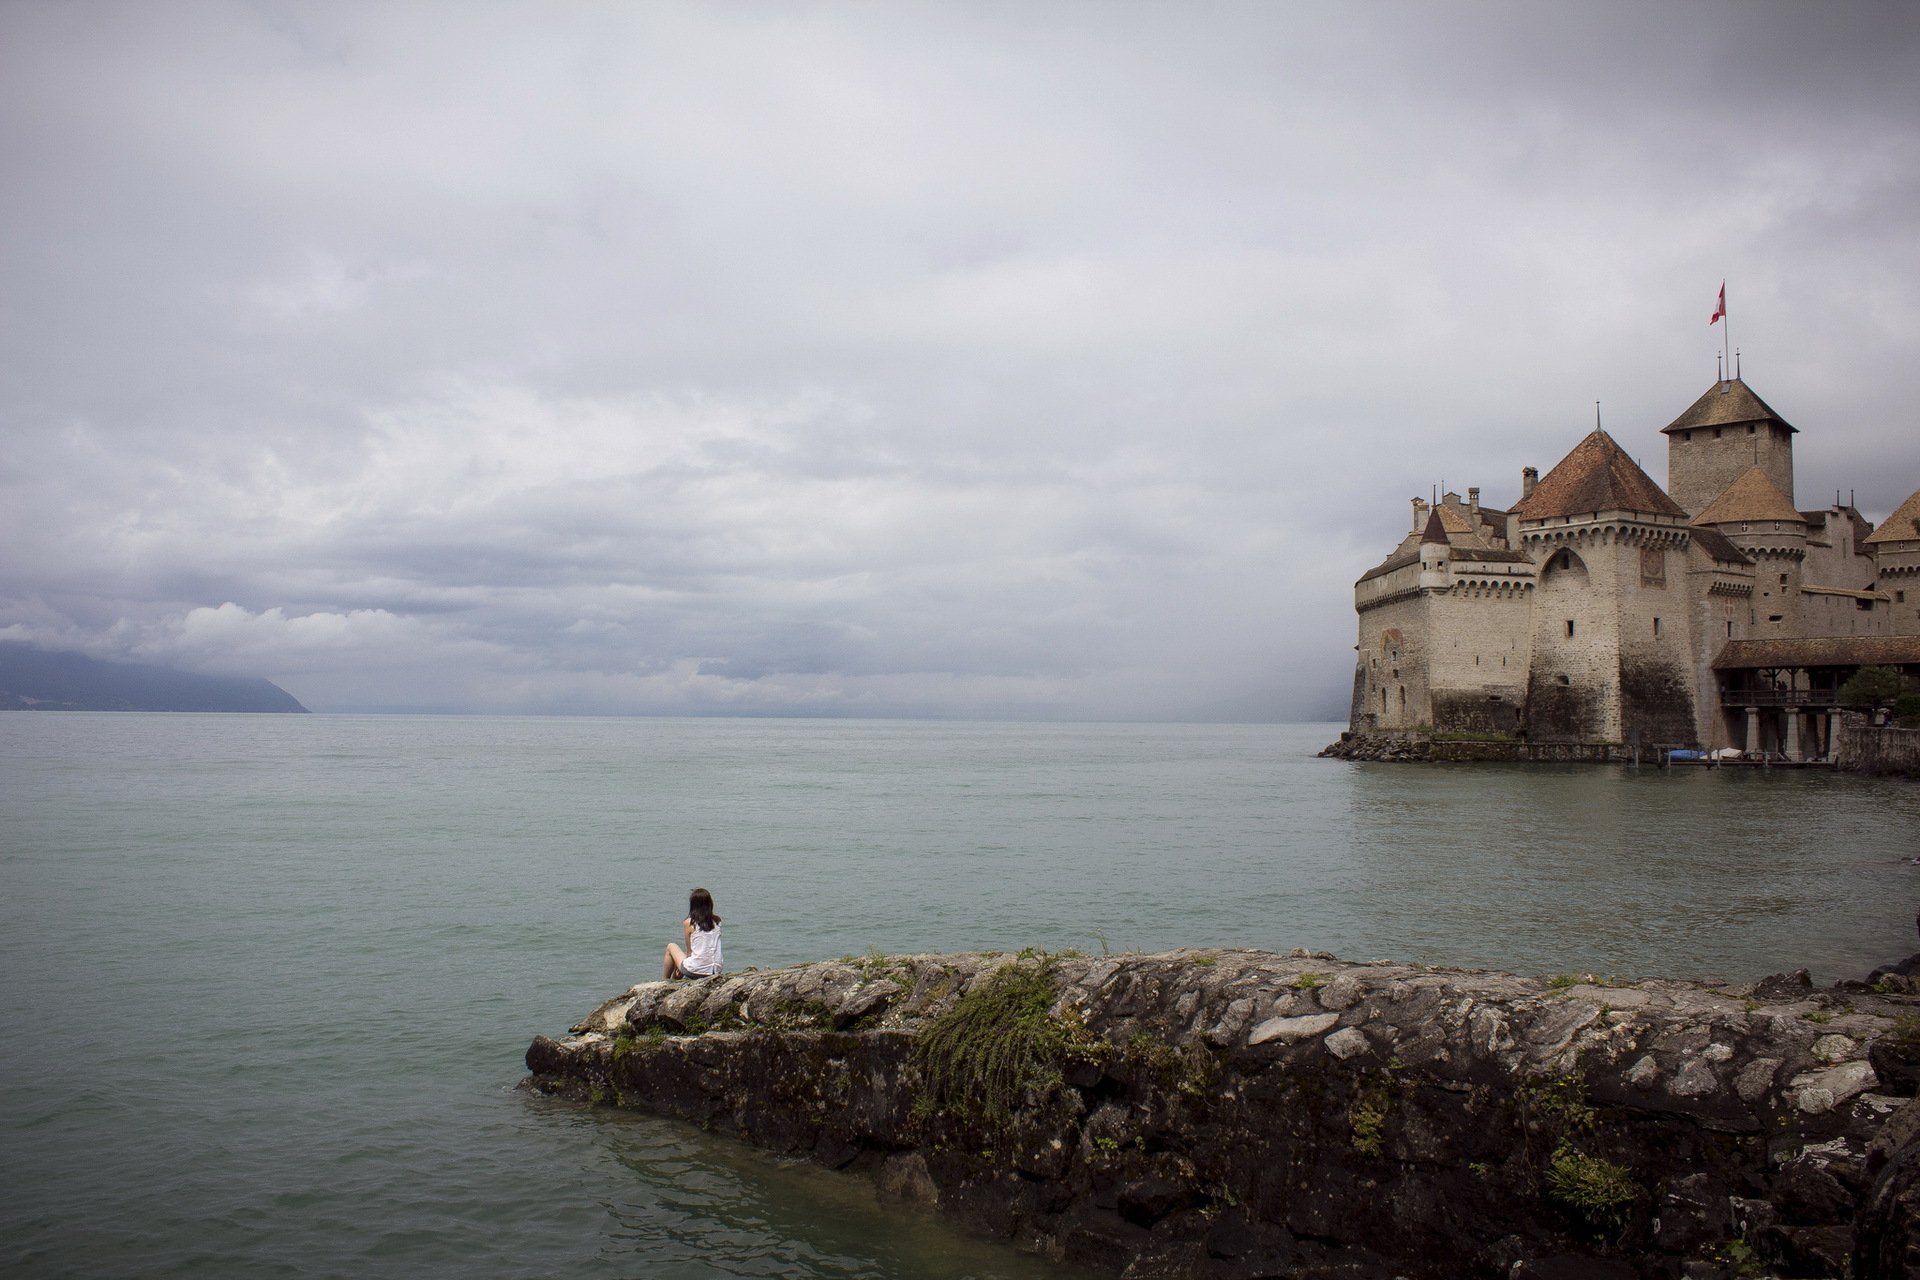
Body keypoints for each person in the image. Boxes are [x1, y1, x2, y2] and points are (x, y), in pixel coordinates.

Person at [663, 887, 723, 980]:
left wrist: (682, 967)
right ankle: (675, 980)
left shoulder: (689, 923)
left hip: (696, 971)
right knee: (681, 958)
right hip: (716, 970)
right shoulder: (717, 921)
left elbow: (690, 951)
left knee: (671, 946)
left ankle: (664, 980)